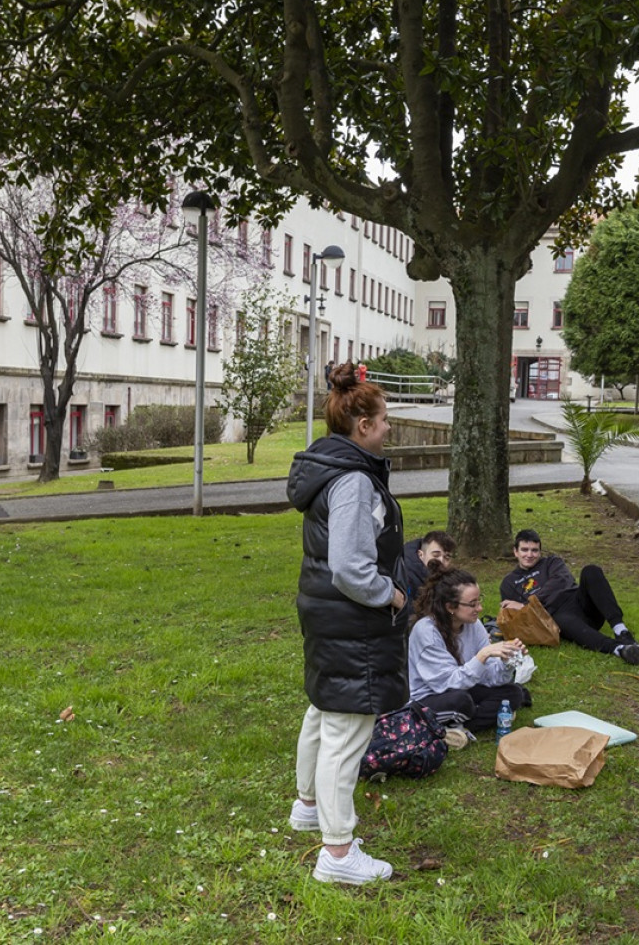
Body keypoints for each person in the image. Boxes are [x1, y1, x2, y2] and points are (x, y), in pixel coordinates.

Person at [285, 361, 408, 885]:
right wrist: (393, 596)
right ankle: (337, 856)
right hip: (351, 615)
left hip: (323, 609)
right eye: (383, 420)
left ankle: (308, 806)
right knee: (347, 727)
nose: (387, 428)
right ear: (362, 427)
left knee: (323, 707)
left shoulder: (328, 466)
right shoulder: (354, 480)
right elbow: (351, 567)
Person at [409, 567, 531, 747]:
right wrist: (482, 655)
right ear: (450, 607)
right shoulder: (426, 632)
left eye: (479, 601)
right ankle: (445, 728)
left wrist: (507, 661)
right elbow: (448, 684)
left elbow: (489, 677)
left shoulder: (473, 625)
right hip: (429, 697)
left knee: (513, 693)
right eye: (472, 604)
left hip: (463, 687)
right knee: (462, 702)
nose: (479, 608)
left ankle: (454, 729)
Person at [499, 528, 639, 664]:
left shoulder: (552, 562)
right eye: (524, 550)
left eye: (534, 550)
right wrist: (525, 609)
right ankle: (620, 649)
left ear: (540, 552)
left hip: (579, 602)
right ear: (515, 552)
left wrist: (528, 604)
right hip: (556, 616)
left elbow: (561, 581)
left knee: (591, 570)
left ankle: (621, 631)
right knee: (561, 620)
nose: (530, 555)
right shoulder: (509, 583)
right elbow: (515, 617)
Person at [401, 530, 457, 606]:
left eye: (447, 557)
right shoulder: (407, 576)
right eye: (436, 555)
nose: (441, 560)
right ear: (421, 555)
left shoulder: (449, 577)